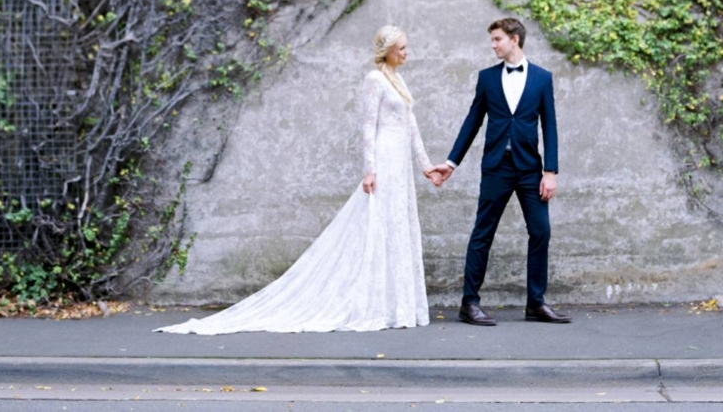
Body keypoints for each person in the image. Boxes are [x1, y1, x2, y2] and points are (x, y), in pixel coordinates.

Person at [156, 25, 441, 334]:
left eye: (406, 47)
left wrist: (425, 166)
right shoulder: (374, 80)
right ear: (387, 51)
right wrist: (370, 169)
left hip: (401, 166)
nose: (406, 52)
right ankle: (379, 304)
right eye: (401, 48)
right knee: (380, 225)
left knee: (398, 226)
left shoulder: (399, 80)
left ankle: (398, 306)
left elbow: (411, 126)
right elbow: (368, 127)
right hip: (386, 160)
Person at [429, 18, 571, 326]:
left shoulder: (542, 79)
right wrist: (451, 163)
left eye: (497, 39)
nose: (492, 45)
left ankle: (535, 303)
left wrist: (551, 171)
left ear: (514, 40)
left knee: (541, 231)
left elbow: (550, 126)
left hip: (530, 169)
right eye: (492, 40)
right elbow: (472, 122)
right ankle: (469, 303)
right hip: (497, 167)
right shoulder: (487, 78)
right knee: (483, 232)